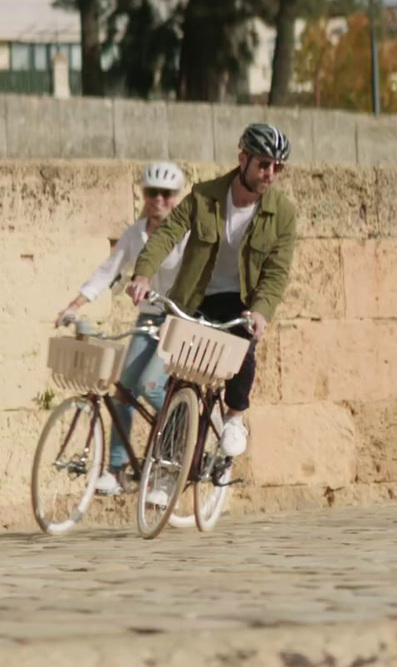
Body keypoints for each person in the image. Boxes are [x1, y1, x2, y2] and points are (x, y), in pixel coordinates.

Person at [126, 123, 298, 472]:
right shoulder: (205, 196)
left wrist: (262, 312)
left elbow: (276, 273)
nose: (270, 174)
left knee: (244, 349)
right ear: (243, 158)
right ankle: (166, 469)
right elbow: (167, 234)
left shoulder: (283, 213)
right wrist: (143, 273)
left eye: (277, 167)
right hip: (197, 297)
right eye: (263, 164)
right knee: (179, 384)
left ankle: (234, 417)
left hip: (241, 301)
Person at [55, 161, 190, 497]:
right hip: (148, 318)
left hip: (178, 318)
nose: (158, 199)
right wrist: (76, 303)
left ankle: (180, 440)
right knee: (124, 391)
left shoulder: (187, 234)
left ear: (178, 196)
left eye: (167, 194)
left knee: (150, 384)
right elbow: (109, 270)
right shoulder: (137, 233)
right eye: (151, 193)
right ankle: (116, 471)